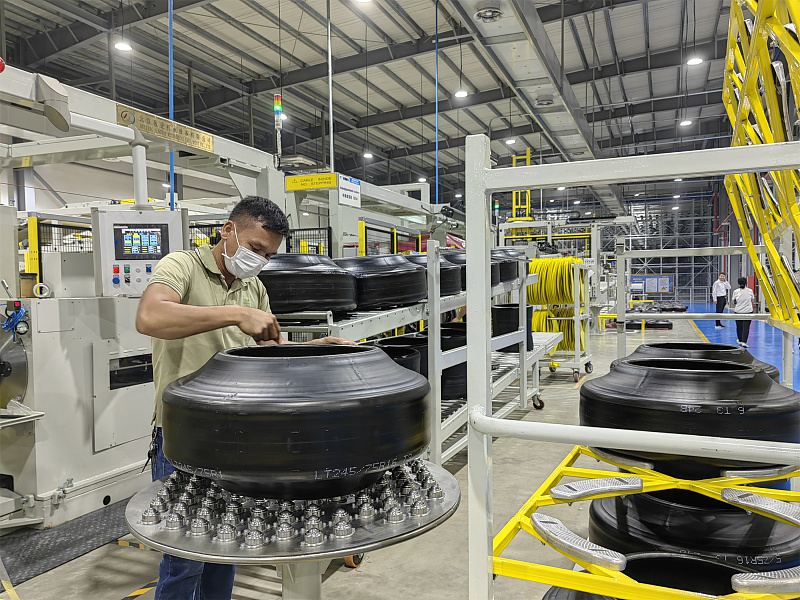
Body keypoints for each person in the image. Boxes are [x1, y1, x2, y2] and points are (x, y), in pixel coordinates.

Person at [136, 196, 354, 600]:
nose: (261, 260)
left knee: (229, 543)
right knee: (185, 552)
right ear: (228, 231)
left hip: (236, 438)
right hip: (185, 436)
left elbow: (268, 349)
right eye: (256, 249)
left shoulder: (253, 285)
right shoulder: (181, 265)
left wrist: (316, 346)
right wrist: (235, 313)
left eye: (269, 255)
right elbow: (150, 317)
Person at [732, 276, 755, 347]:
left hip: (738, 311)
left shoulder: (735, 291)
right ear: (746, 283)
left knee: (739, 326)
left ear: (738, 283)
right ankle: (744, 341)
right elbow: (752, 300)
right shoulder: (750, 291)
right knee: (746, 327)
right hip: (748, 311)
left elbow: (733, 302)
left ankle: (740, 339)